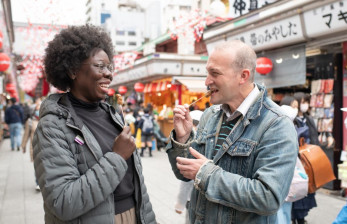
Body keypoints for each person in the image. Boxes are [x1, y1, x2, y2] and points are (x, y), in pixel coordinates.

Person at [32, 25, 156, 224]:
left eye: (110, 67)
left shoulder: (113, 114)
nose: (109, 74)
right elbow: (62, 201)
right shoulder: (52, 127)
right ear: (73, 70)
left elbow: (136, 186)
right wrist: (116, 157)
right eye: (100, 66)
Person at [166, 40, 298, 223]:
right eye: (207, 73)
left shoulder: (276, 125)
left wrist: (206, 174)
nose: (207, 81)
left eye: (215, 73)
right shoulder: (210, 115)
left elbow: (269, 198)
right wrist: (183, 138)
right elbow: (184, 173)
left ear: (243, 76)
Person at [291, 92, 318, 224]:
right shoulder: (292, 119)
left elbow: (314, 138)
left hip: (308, 158)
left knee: (307, 188)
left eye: (306, 102)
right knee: (297, 186)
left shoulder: (309, 119)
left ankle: (301, 217)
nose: (304, 105)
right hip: (296, 159)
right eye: (302, 102)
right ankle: (296, 218)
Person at [21, 97, 42, 191]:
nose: (39, 109)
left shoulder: (46, 119)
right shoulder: (29, 121)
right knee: (37, 166)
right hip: (35, 147)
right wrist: (23, 146)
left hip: (46, 147)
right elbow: (26, 135)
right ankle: (38, 183)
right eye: (37, 108)